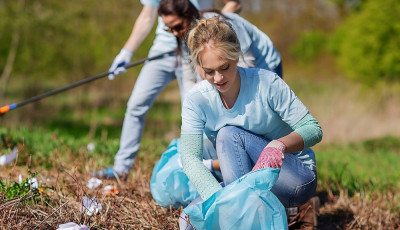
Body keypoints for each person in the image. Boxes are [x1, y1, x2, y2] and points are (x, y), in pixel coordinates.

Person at [179, 17, 322, 228]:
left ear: (236, 54)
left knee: (228, 135)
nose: (218, 78)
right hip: (245, 183)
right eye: (209, 71)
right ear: (198, 66)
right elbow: (190, 157)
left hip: (292, 177)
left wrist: (278, 145)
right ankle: (248, 213)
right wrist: (219, 200)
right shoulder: (196, 99)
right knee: (188, 220)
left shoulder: (266, 83)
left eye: (225, 67)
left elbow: (313, 129)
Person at [92, 0, 242, 179]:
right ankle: (121, 168)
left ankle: (207, 169)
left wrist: (212, 33)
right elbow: (147, 16)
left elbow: (234, 3)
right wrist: (126, 52)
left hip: (196, 49)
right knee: (135, 105)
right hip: (160, 52)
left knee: (195, 112)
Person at [158, 0, 283, 93]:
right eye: (170, 29)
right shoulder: (183, 37)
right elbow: (188, 75)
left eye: (178, 26)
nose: (175, 32)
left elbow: (247, 63)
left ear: (189, 15)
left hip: (265, 65)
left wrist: (212, 86)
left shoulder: (224, 26)